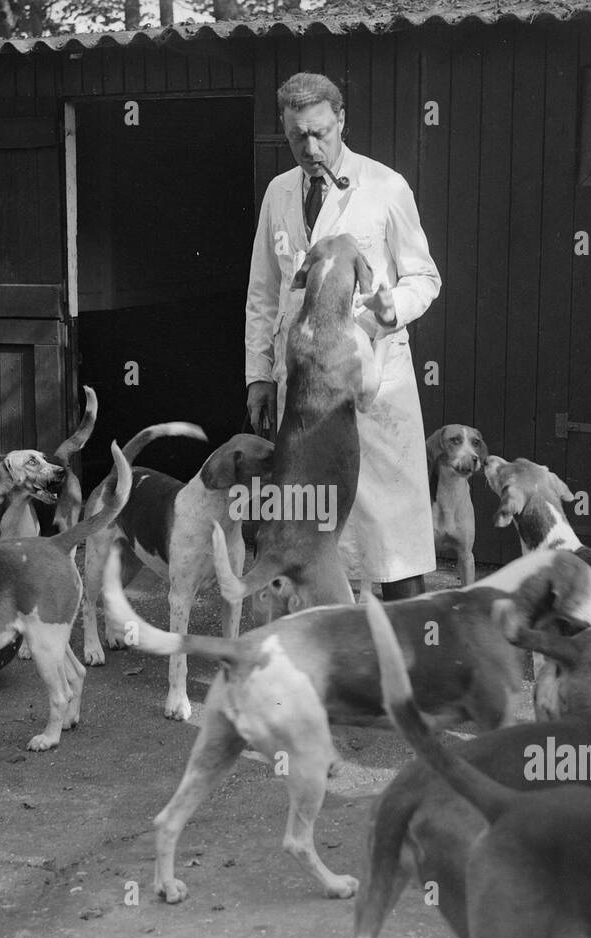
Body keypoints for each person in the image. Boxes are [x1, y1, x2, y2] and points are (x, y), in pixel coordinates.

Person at [244, 72, 441, 600]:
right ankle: (328, 659)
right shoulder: (278, 194)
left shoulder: (386, 187)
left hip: (373, 384)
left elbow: (425, 277)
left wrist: (388, 308)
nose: (310, 148)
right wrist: (259, 375)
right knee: (311, 531)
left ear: (342, 121)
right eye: (296, 136)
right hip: (305, 395)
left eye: (320, 133)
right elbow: (264, 292)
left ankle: (409, 660)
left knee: (392, 541)